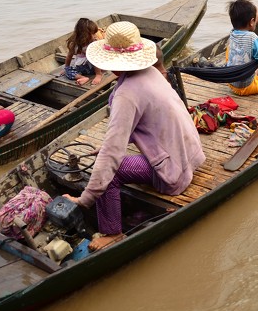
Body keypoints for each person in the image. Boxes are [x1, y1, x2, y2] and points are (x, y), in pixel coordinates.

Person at [63, 21, 205, 252]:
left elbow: (111, 155)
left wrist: (84, 199)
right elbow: (147, 122)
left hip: (173, 172)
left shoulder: (127, 94)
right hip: (189, 156)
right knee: (108, 158)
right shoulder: (153, 72)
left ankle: (112, 232)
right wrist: (109, 147)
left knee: (109, 170)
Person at [64, 18, 104, 86]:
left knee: (67, 71)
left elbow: (95, 60)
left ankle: (84, 76)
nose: (95, 36)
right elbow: (69, 56)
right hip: (81, 68)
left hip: (92, 68)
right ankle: (83, 78)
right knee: (66, 70)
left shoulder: (92, 44)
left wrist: (98, 75)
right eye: (93, 34)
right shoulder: (73, 43)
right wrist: (66, 67)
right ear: (85, 35)